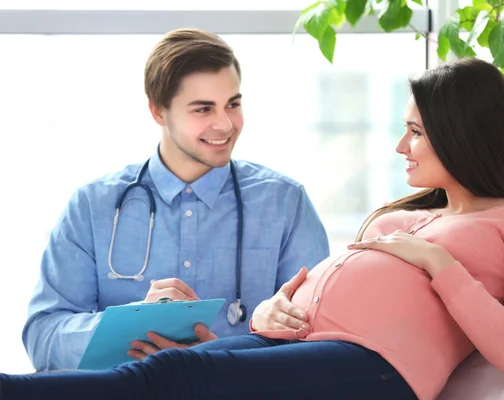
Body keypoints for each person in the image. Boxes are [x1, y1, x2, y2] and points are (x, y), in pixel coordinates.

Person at [3, 58, 504, 400]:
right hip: (320, 351)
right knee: (162, 372)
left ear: (462, 134)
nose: (401, 146)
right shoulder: (409, 216)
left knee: (173, 377)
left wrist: (439, 264)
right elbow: (313, 302)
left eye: (416, 132)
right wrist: (268, 315)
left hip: (378, 370)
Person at [21, 28, 330, 372]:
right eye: (203, 109)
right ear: (158, 111)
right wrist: (133, 326)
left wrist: (227, 357)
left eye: (233, 104)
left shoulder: (285, 203)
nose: (225, 124)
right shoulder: (92, 207)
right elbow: (42, 337)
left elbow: (325, 340)